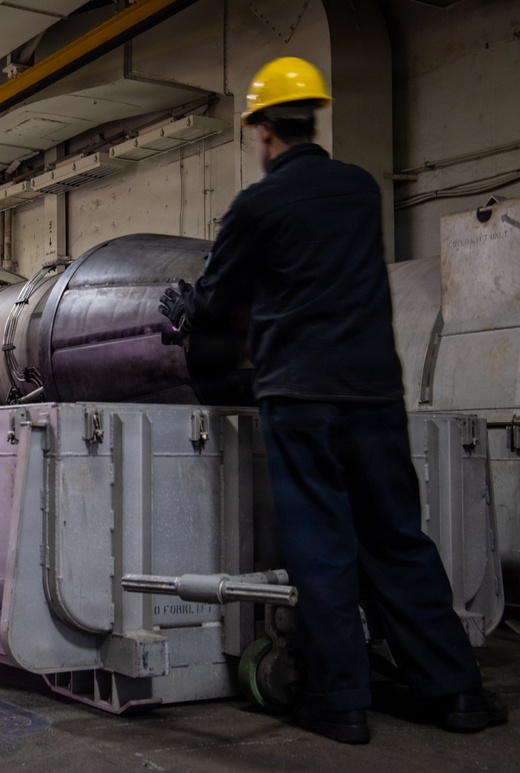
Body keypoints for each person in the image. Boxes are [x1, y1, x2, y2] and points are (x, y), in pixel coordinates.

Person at [158, 57, 508, 744]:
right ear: (312, 116)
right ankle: (457, 691)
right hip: (375, 392)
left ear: (262, 131)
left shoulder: (254, 206)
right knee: (398, 539)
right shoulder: (358, 189)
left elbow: (220, 295)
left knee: (323, 545)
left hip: (300, 396)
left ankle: (340, 701)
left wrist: (186, 308)